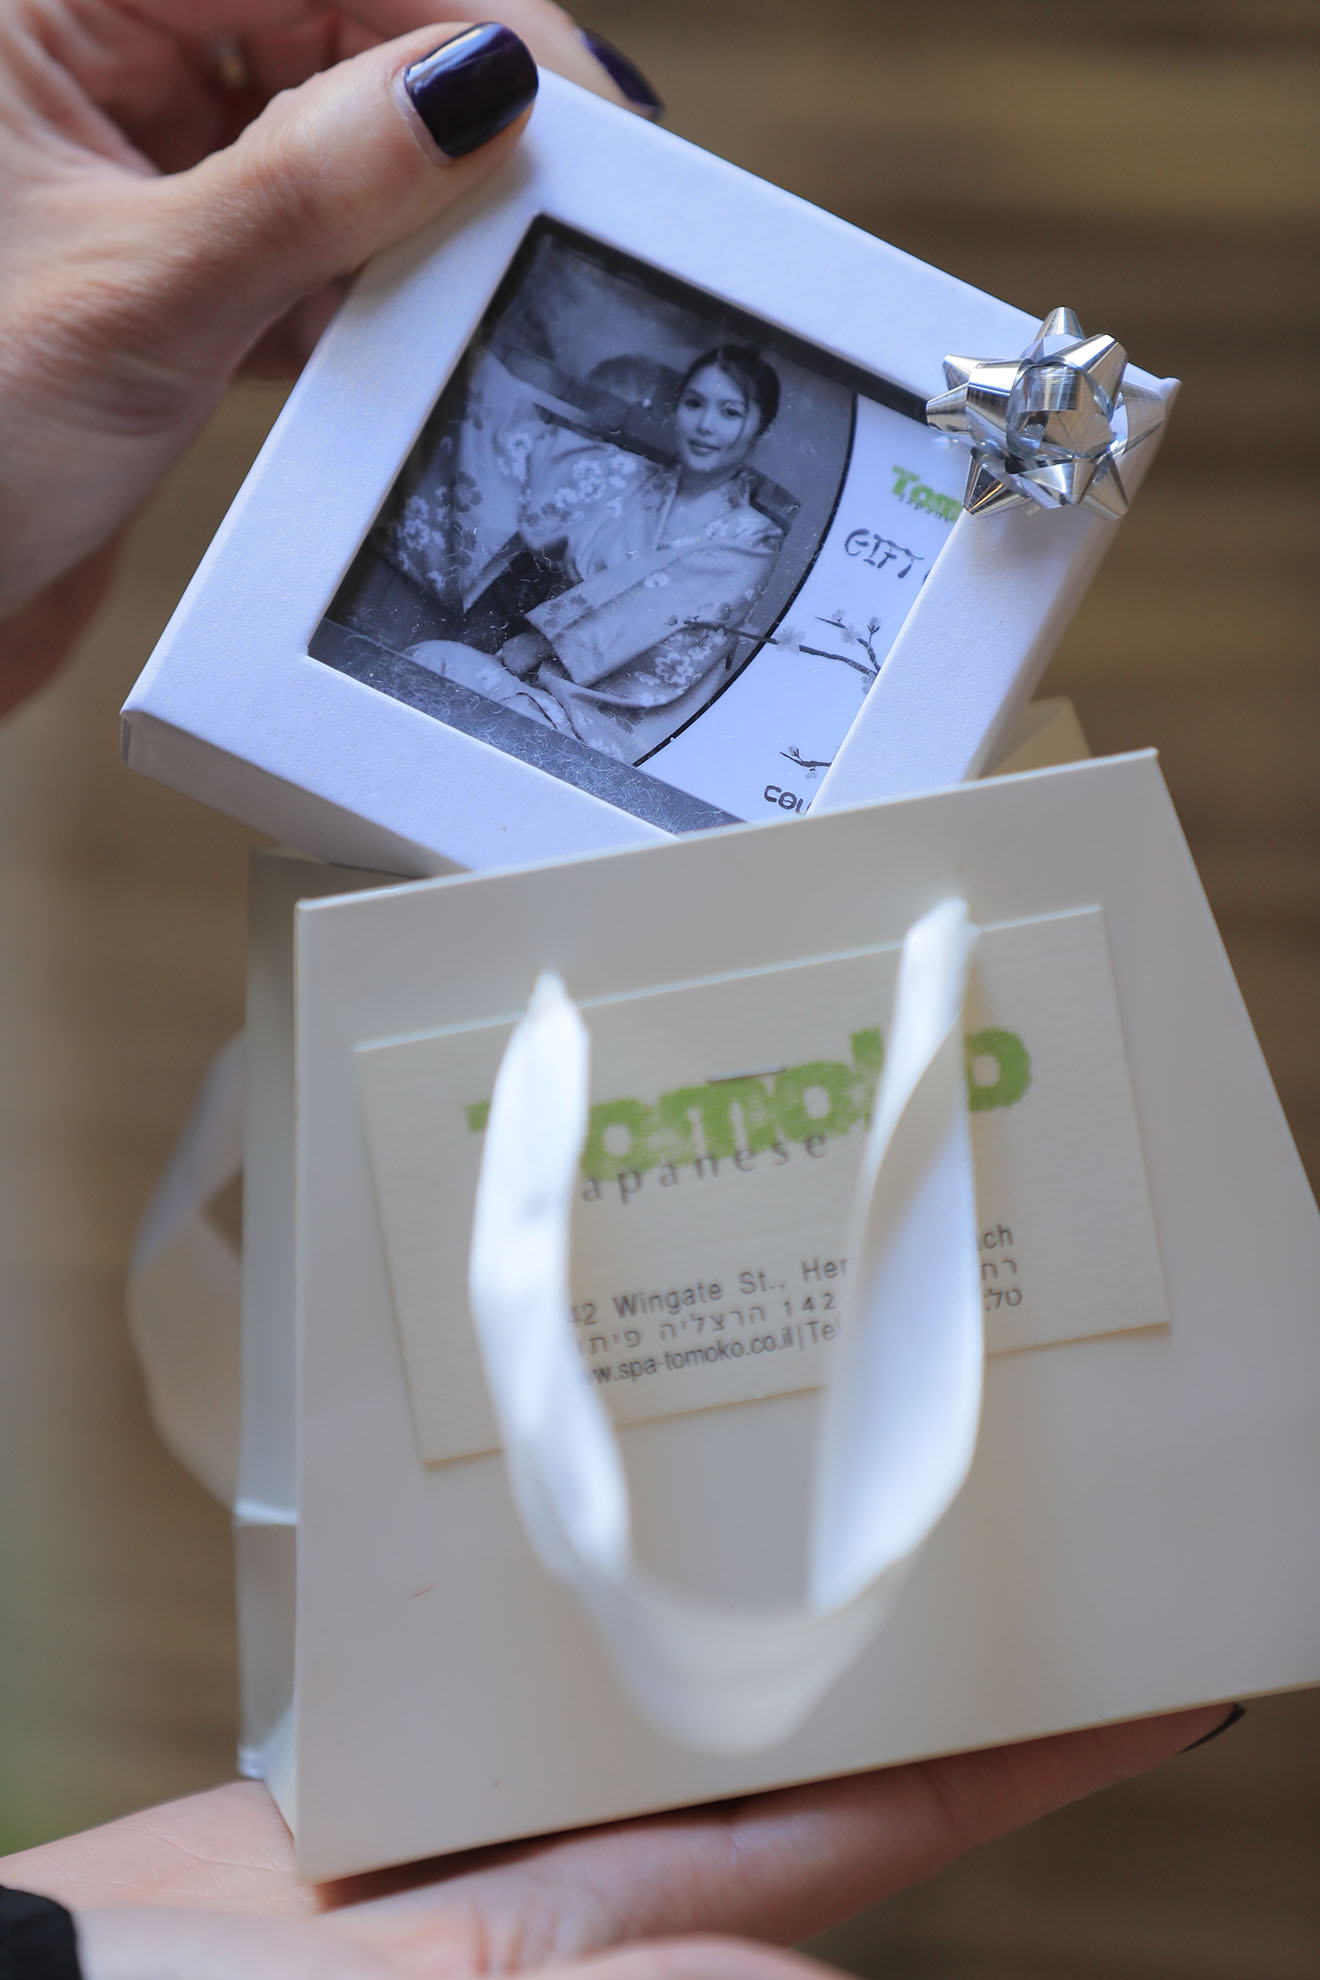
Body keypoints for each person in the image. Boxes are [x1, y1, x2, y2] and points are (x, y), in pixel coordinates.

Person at [0, 5, 1240, 1974]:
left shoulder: (738, 539)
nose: (711, 436)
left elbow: (622, 650)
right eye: (701, 409)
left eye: (740, 420)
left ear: (752, 441)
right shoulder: (598, 467)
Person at [405, 344, 785, 763]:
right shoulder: (626, 479)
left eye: (730, 412)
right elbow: (528, 449)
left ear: (762, 431)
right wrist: (464, 350)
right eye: (694, 404)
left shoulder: (752, 539)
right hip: (537, 687)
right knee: (433, 661)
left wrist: (541, 643)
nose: (706, 426)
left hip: (611, 729)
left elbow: (655, 608)